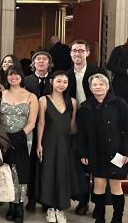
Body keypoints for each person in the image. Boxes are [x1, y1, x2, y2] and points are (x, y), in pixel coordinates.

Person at [76, 73, 128, 223]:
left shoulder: (119, 103)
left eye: (101, 84)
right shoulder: (85, 107)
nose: (98, 87)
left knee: (116, 186)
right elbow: (81, 134)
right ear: (90, 88)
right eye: (95, 85)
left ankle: (117, 218)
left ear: (107, 86)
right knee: (98, 186)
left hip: (117, 152)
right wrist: (83, 153)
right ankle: (100, 218)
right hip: (96, 153)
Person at [66, 39, 109, 215]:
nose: (77, 54)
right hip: (77, 124)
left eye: (81, 51)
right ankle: (82, 202)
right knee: (81, 165)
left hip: (99, 123)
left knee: (100, 167)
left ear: (87, 53)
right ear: (70, 54)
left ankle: (100, 206)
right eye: (74, 51)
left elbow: (109, 96)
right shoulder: (65, 74)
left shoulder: (98, 72)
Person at [35, 71, 80, 223]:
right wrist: (39, 144)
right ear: (52, 82)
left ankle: (60, 209)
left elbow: (73, 126)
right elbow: (41, 123)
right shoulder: (43, 100)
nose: (61, 84)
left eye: (65, 82)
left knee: (62, 174)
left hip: (65, 143)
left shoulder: (72, 102)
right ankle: (50, 208)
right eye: (59, 81)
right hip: (48, 142)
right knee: (48, 173)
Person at [0, 65, 38, 223]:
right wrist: (3, 137)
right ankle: (11, 205)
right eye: (10, 74)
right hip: (4, 139)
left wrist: (19, 135)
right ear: (6, 77)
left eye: (16, 74)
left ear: (21, 76)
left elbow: (33, 121)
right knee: (8, 170)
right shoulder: (0, 95)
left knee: (20, 171)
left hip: (23, 138)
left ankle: (20, 204)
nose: (13, 77)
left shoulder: (31, 96)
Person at [22, 51, 53, 212]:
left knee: (47, 165)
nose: (41, 61)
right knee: (32, 164)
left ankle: (46, 198)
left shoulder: (55, 81)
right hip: (30, 127)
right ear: (33, 64)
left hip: (50, 128)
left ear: (49, 63)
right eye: (38, 59)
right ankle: (31, 198)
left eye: (44, 59)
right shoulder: (26, 81)